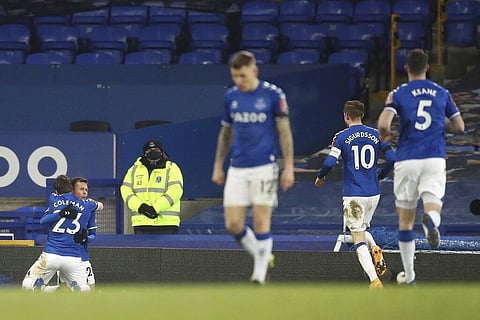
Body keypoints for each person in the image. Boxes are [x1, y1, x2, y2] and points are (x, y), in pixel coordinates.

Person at [377, 48, 465, 285]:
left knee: (405, 221)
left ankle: (410, 276)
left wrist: (385, 134)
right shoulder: (442, 92)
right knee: (433, 202)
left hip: (407, 158)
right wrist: (439, 123)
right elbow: (460, 126)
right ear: (427, 67)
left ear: (406, 68)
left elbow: (384, 123)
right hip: (434, 157)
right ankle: (431, 222)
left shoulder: (398, 93)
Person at [211, 51, 295, 284]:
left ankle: (258, 277)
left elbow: (284, 132)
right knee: (233, 224)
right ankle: (263, 256)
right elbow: (226, 132)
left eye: (243, 76)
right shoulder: (231, 97)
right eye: (235, 76)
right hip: (237, 167)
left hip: (264, 167)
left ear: (254, 71)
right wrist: (218, 165)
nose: (239, 81)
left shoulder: (273, 95)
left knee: (261, 221)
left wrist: (288, 167)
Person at [314, 100, 395, 289]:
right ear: (363, 115)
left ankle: (373, 280)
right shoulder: (376, 134)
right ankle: (375, 248)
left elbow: (329, 163)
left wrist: (320, 177)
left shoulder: (341, 137)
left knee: (357, 237)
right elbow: (392, 159)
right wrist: (380, 177)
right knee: (361, 230)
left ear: (346, 116)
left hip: (354, 195)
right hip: (373, 194)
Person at [22, 175, 100, 292]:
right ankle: (69, 290)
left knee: (27, 285)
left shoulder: (53, 199)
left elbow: (43, 221)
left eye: (86, 189)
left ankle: (52, 290)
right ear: (73, 189)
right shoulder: (88, 205)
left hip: (52, 255)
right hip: (74, 258)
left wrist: (86, 238)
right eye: (81, 189)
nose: (84, 192)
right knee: (85, 290)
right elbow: (100, 206)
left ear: (56, 191)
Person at [121, 139, 184, 235]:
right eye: (149, 151)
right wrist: (141, 207)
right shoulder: (133, 170)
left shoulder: (172, 168)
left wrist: (155, 209)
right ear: (144, 153)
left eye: (156, 150)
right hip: (141, 224)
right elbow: (126, 191)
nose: (153, 152)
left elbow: (175, 191)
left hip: (167, 225)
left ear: (162, 152)